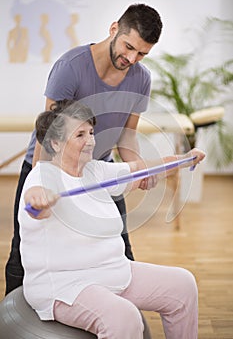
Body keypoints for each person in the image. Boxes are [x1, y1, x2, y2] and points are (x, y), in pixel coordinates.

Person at [5, 3, 164, 294]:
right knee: (23, 251)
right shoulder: (71, 66)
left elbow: (127, 136)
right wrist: (44, 182)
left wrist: (138, 169)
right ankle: (11, 319)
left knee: (122, 248)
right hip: (46, 167)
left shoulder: (142, 79)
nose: (131, 58)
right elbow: (49, 134)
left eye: (141, 53)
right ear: (114, 28)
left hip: (97, 170)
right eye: (128, 47)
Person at [19, 100, 205, 339]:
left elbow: (142, 169)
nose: (91, 141)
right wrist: (38, 201)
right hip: (66, 284)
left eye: (92, 132)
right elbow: (34, 204)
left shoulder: (95, 170)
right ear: (56, 143)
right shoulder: (43, 176)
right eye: (80, 135)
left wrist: (184, 159)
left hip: (112, 271)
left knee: (183, 285)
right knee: (125, 317)